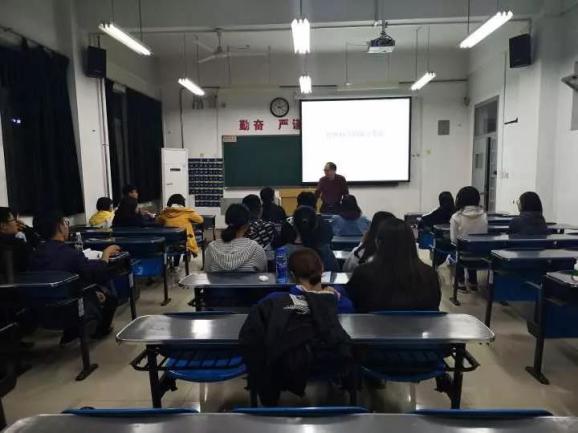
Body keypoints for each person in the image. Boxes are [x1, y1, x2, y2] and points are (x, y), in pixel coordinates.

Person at [239, 248, 353, 406]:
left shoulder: (273, 301)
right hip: (329, 365)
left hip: (285, 367)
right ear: (322, 270)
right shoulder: (342, 302)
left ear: (291, 275)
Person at [29, 212, 120, 341]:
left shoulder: (34, 255)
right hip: (70, 310)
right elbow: (96, 274)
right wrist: (106, 254)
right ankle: (99, 331)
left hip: (41, 313)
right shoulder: (71, 255)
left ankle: (71, 333)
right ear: (60, 227)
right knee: (108, 293)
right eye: (65, 223)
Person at [346, 218, 441, 312]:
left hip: (371, 322)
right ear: (412, 243)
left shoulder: (362, 273)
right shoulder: (430, 275)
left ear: (378, 243)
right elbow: (434, 308)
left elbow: (353, 304)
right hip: (420, 323)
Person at [204, 204, 267, 272]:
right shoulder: (256, 249)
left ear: (227, 221)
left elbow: (207, 273)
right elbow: (263, 275)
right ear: (247, 224)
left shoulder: (211, 248)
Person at [450, 186, 488, 289]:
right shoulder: (484, 215)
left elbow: (453, 240)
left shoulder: (456, 217)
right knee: (474, 247)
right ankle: (473, 282)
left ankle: (460, 282)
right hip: (482, 256)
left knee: (457, 250)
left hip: (463, 256)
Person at [282, 206, 339, 272]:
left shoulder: (282, 252)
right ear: (315, 224)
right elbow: (335, 272)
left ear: (294, 225)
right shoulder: (325, 250)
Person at [0, 207, 33, 274]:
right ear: (3, 226)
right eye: (14, 220)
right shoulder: (17, 244)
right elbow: (32, 263)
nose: (17, 223)